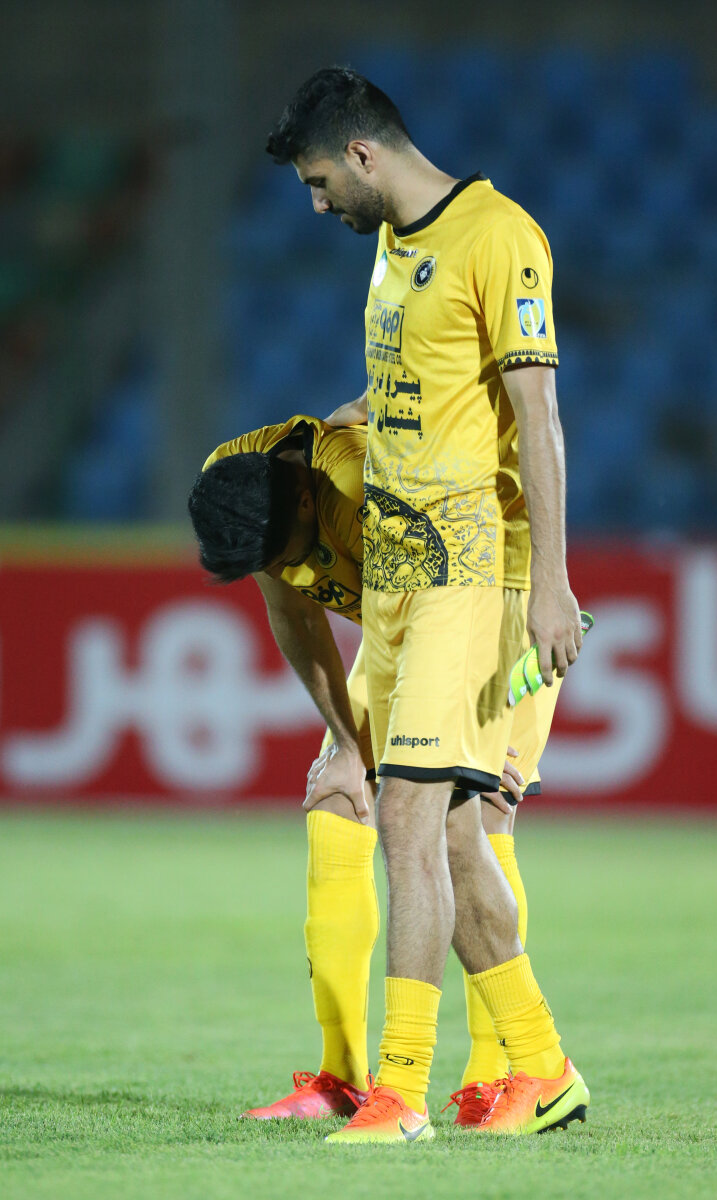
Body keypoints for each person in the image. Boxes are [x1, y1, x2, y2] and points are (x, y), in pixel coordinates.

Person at [263, 66, 589, 1144]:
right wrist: (340, 427)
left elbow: (536, 416)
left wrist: (550, 581)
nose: (319, 205)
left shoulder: (501, 237)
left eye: (321, 183)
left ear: (363, 155)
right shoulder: (393, 247)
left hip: (467, 568)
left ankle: (398, 1093)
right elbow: (420, 390)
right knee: (426, 825)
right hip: (397, 581)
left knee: (412, 811)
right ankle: (541, 1066)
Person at [188, 413, 564, 1127]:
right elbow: (297, 617)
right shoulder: (242, 487)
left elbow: (465, 587)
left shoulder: (369, 493)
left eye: (285, 554)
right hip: (407, 631)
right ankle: (342, 1076)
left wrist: (479, 736)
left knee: (474, 813)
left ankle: (497, 1075)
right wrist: (346, 744)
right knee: (339, 802)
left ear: (307, 501)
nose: (282, 571)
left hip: (495, 607)